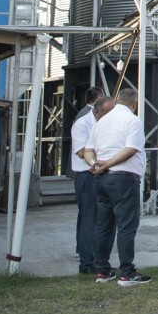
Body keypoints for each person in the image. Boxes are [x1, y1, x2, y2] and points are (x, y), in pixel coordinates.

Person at [84, 88, 151, 286]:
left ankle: (103, 271)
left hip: (102, 179)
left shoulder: (101, 121)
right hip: (124, 178)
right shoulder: (133, 121)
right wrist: (108, 164)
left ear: (117, 101)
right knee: (126, 226)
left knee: (103, 225)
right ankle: (127, 273)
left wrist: (94, 164)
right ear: (134, 103)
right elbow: (131, 149)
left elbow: (88, 150)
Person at [71, 87, 103, 274]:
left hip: (97, 173)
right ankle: (87, 262)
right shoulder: (83, 122)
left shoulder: (101, 123)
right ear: (97, 108)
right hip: (87, 175)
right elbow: (82, 151)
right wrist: (98, 164)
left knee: (95, 219)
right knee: (89, 219)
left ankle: (95, 259)